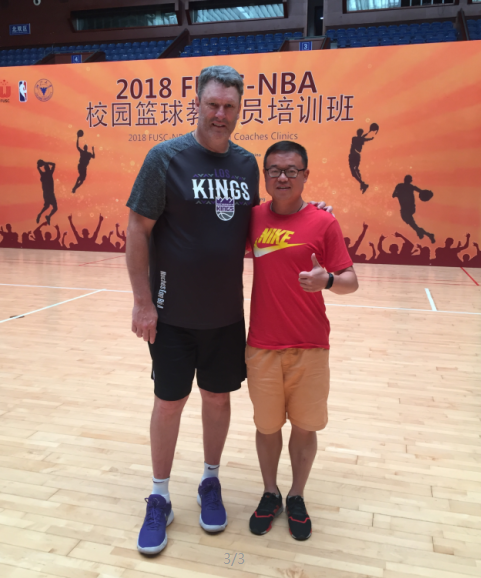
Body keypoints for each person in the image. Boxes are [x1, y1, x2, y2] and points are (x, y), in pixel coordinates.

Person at [125, 65, 332, 556]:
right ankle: (159, 496)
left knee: (218, 400)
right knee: (169, 402)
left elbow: (264, 219)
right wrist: (142, 303)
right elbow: (137, 230)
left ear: (240, 110)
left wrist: (310, 212)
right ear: (197, 103)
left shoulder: (244, 164)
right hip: (170, 314)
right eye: (213, 104)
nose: (220, 113)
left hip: (225, 316)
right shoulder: (164, 158)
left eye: (229, 106)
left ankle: (210, 481)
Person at [245, 141, 358, 541]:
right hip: (262, 346)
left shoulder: (324, 223)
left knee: (306, 428)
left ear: (305, 175)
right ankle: (270, 492)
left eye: (292, 170)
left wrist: (327, 280)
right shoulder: (252, 218)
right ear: (265, 176)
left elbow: (350, 281)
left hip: (311, 345)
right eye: (274, 170)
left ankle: (296, 495)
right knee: (267, 427)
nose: (283, 177)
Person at [392, 175, 435, 243]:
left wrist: (399, 194)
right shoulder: (409, 186)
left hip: (406, 209)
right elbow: (420, 191)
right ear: (410, 181)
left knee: (411, 223)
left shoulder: (401, 186)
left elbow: (394, 195)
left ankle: (425, 234)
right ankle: (423, 233)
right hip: (410, 208)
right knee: (413, 224)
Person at [349, 129, 374, 193]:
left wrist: (367, 137)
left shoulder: (356, 138)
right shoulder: (358, 139)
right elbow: (361, 139)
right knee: (356, 170)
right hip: (356, 156)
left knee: (354, 171)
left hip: (353, 156)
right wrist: (367, 137)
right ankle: (362, 184)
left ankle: (362, 184)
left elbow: (361, 139)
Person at [36, 160, 57, 225]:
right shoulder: (49, 173)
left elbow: (38, 168)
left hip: (45, 193)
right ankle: (48, 216)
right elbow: (54, 164)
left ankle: (40, 214)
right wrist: (45, 162)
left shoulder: (43, 174)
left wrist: (42, 164)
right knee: (55, 208)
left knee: (47, 206)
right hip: (50, 193)